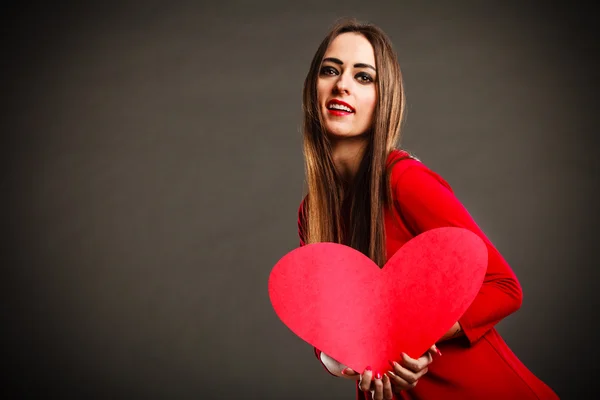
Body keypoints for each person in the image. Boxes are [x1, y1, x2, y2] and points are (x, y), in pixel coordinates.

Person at [295, 18, 559, 400]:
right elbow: (327, 333)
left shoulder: (403, 182)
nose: (342, 85)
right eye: (330, 71)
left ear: (384, 98)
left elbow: (503, 287)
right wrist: (351, 361)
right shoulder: (312, 213)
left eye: (364, 77)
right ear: (312, 89)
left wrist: (417, 339)